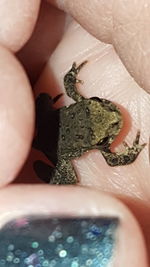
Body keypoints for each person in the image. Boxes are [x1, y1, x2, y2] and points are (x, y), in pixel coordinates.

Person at [0, 1, 149, 266]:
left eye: (103, 104)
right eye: (101, 103)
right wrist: (133, 150)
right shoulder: (100, 138)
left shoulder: (83, 108)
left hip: (50, 130)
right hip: (53, 141)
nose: (115, 114)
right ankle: (48, 170)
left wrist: (71, 75)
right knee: (66, 174)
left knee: (43, 104)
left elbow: (70, 87)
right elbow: (114, 159)